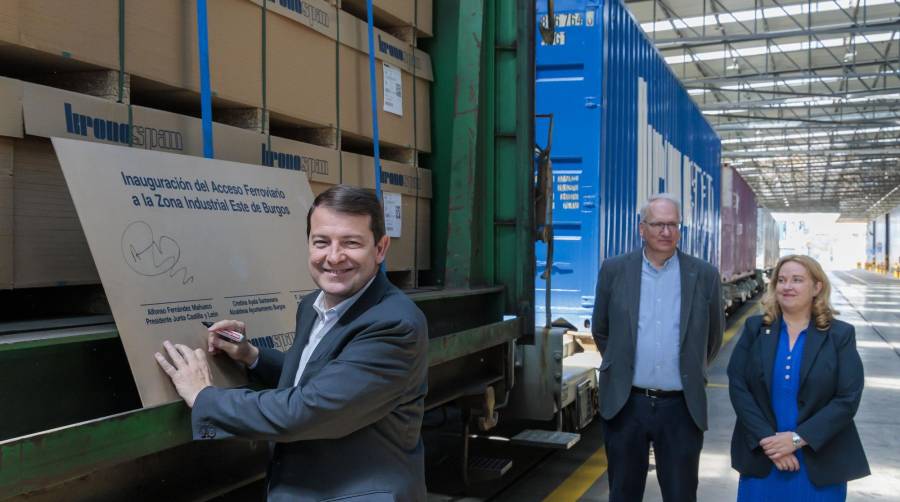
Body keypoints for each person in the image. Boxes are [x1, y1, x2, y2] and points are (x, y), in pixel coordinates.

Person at [154, 185, 429, 502]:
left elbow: (306, 411)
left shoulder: (394, 324)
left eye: (351, 243)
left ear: (380, 249)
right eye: (321, 242)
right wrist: (251, 355)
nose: (334, 257)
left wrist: (204, 396)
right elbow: (324, 375)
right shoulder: (314, 304)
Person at [591, 193, 724, 502]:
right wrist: (623, 368)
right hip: (627, 405)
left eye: (673, 224)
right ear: (642, 229)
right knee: (623, 493)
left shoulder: (704, 275)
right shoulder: (614, 270)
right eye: (659, 224)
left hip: (680, 408)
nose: (667, 232)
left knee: (681, 494)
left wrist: (691, 370)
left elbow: (713, 337)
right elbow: (602, 330)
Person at [728, 255, 869, 501]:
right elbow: (739, 386)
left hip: (819, 459)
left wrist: (795, 440)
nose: (787, 286)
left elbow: (848, 398)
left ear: (817, 287)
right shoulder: (755, 329)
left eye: (797, 280)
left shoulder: (840, 335)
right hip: (764, 456)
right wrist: (770, 443)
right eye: (781, 280)